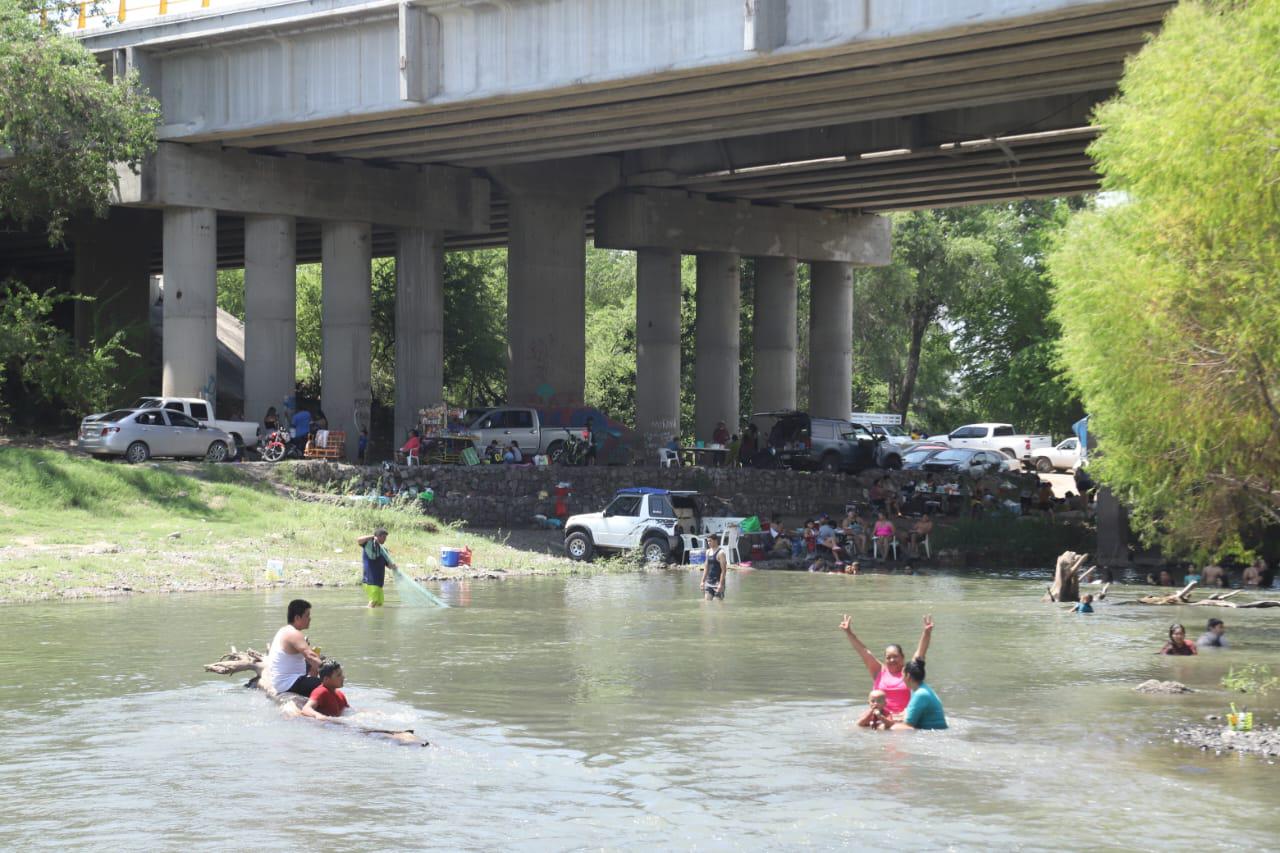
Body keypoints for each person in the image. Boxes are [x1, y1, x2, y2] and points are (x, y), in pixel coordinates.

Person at [838, 614, 934, 718]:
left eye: (895, 657)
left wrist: (927, 633)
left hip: (903, 716)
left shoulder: (909, 672)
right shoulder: (879, 671)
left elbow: (920, 653)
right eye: (888, 657)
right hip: (880, 715)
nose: (892, 660)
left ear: (902, 657)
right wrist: (848, 632)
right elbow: (864, 652)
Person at [265, 599, 324, 697]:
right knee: (326, 684)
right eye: (307, 615)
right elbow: (310, 656)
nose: (310, 618)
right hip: (288, 683)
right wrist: (331, 671)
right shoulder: (293, 633)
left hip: (283, 682)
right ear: (297, 617)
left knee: (318, 671)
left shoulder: (285, 630)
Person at [893, 657, 948, 731]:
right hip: (934, 732)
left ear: (908, 676)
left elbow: (908, 726)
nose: (902, 679)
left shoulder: (920, 694)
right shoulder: (919, 689)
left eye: (902, 675)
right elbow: (907, 714)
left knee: (886, 727)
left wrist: (887, 726)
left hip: (935, 735)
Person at [357, 528, 398, 608]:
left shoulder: (384, 550)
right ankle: (370, 620)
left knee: (379, 603)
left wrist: (394, 566)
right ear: (378, 536)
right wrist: (372, 536)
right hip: (370, 580)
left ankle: (376, 619)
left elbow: (388, 565)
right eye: (383, 537)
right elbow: (359, 540)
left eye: (385, 538)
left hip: (379, 583)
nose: (385, 540)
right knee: (373, 602)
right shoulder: (368, 544)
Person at [702, 533, 727, 600]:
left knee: (718, 606)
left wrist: (721, 584)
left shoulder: (721, 553)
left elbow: (724, 570)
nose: (708, 543)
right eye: (708, 541)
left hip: (718, 583)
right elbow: (706, 568)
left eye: (710, 541)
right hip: (709, 582)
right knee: (707, 603)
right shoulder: (707, 552)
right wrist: (702, 581)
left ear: (715, 541)